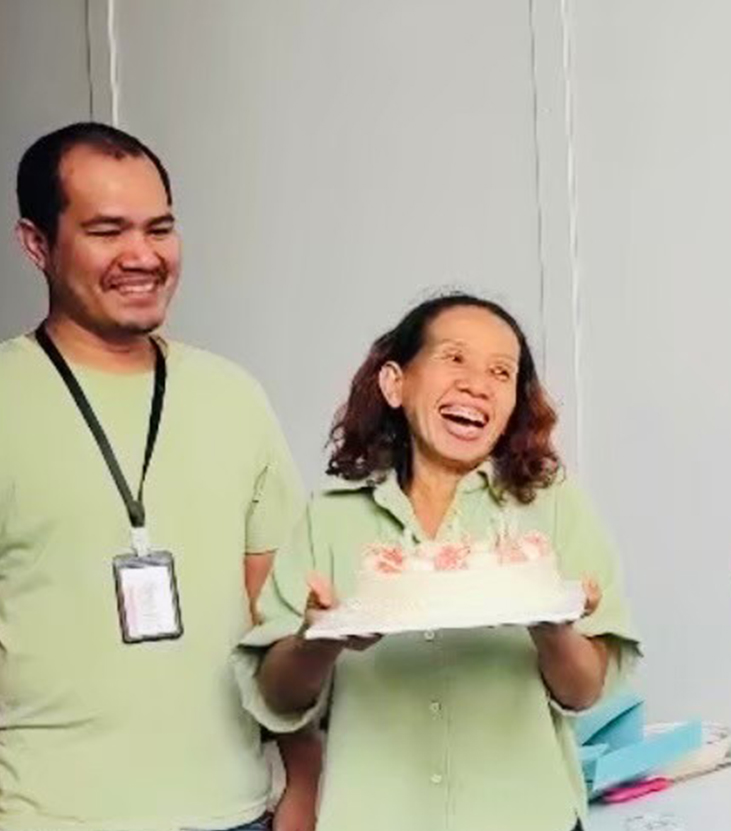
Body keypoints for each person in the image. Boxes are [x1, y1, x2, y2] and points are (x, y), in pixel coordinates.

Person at [1, 122, 319, 831]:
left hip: (237, 813)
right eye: (107, 231)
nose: (143, 255)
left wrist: (304, 779)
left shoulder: (233, 396)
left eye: (160, 228)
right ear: (36, 243)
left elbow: (279, 618)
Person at [235, 293, 640, 831]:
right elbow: (276, 696)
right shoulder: (328, 518)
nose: (478, 384)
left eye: (501, 372)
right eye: (455, 358)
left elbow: (584, 692)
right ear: (395, 383)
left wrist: (551, 626)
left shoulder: (555, 507)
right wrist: (321, 639)